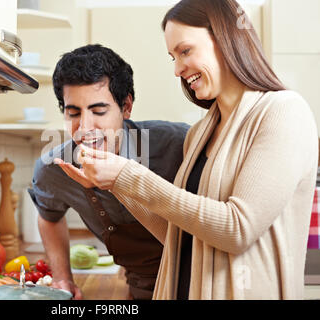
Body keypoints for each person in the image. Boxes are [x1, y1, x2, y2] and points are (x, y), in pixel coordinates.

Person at [57, 0, 319, 299]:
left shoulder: (283, 111)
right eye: (173, 57)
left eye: (185, 51)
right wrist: (116, 184)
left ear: (225, 39)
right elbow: (179, 236)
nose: (178, 69)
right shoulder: (199, 134)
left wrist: (128, 174)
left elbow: (237, 229)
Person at [28, 44, 189, 300]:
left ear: (126, 107)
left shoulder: (179, 145)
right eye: (73, 112)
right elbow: (49, 215)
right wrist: (62, 278)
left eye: (99, 110)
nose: (85, 127)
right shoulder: (55, 169)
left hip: (201, 280)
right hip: (143, 287)